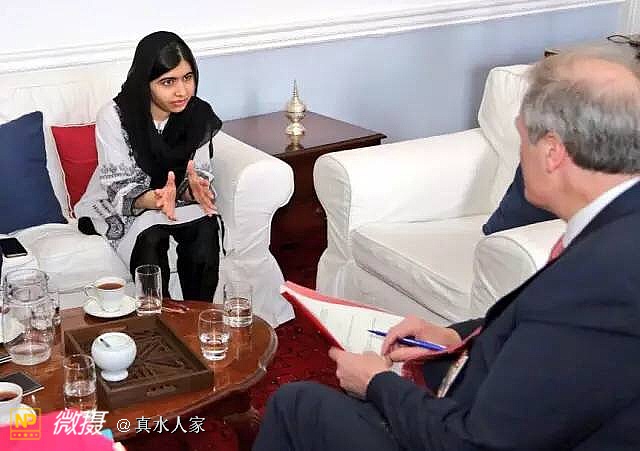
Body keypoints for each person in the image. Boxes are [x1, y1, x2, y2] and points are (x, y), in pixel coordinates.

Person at [253, 51, 640, 450]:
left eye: (522, 138)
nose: (520, 155)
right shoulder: (618, 227)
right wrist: (455, 334)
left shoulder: (598, 281)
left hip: (466, 432)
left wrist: (376, 384)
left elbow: (473, 444)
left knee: (296, 404)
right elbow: (547, 333)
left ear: (553, 152)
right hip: (496, 404)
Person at [76, 31, 223, 301]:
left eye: (187, 78)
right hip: (124, 199)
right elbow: (119, 187)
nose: (182, 91)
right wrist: (154, 199)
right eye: (168, 82)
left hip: (174, 198)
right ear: (146, 82)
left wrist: (194, 190)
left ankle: (197, 315)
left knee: (206, 228)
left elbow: (197, 174)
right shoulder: (115, 116)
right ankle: (157, 317)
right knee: (151, 236)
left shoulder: (198, 114)